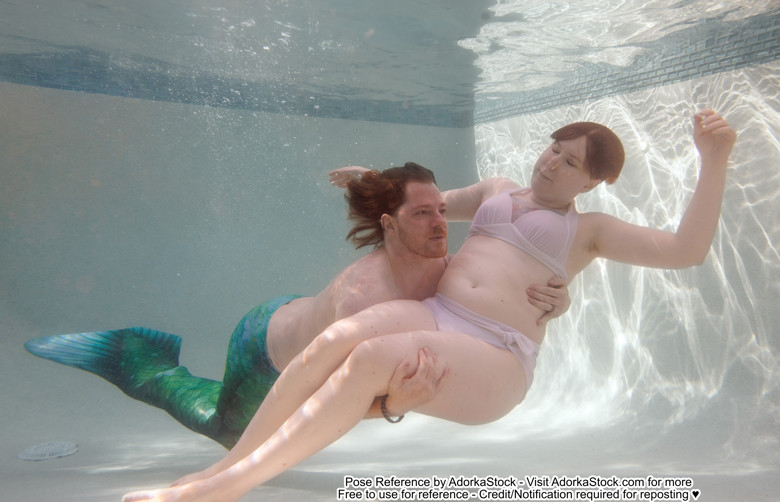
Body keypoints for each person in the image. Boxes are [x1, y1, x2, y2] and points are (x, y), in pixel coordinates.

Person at [120, 108, 736, 502]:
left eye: (570, 162)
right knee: (333, 341)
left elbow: (686, 250)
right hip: (438, 315)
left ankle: (229, 489)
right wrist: (373, 180)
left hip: (496, 356)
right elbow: (427, 204)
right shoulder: (497, 191)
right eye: (555, 148)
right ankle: (222, 473)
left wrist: (714, 160)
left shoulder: (590, 230)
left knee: (369, 357)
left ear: (591, 183)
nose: (551, 163)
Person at [24, 162, 570, 448]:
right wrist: (392, 406)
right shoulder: (365, 299)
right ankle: (144, 363)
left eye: (442, 211)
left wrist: (557, 297)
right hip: (264, 353)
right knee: (225, 428)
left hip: (290, 314)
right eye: (424, 215)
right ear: (391, 225)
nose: (441, 223)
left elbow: (497, 288)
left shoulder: (443, 261)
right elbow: (328, 396)